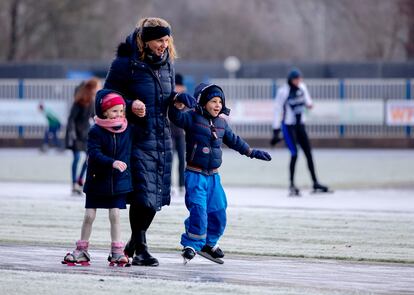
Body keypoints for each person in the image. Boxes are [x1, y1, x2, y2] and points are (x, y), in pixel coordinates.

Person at [104, 17, 195, 266]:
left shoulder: (168, 64)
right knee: (143, 194)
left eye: (167, 40)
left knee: (155, 198)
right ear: (145, 41)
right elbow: (106, 95)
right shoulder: (125, 64)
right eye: (159, 40)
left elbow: (165, 99)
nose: (164, 45)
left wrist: (177, 99)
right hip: (136, 136)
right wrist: (130, 104)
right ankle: (141, 248)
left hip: (161, 137)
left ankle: (132, 245)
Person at [168, 82, 272, 263]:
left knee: (218, 210)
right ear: (203, 102)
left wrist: (251, 152)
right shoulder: (192, 118)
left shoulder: (222, 123)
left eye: (220, 102)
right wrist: (177, 102)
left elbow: (234, 141)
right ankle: (192, 243)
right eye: (213, 101)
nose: (218, 105)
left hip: (214, 176)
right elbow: (175, 116)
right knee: (199, 209)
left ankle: (209, 243)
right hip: (195, 174)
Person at [62, 90, 132, 267]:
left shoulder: (127, 128)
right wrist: (112, 162)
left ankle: (117, 251)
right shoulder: (96, 130)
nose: (119, 114)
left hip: (117, 181)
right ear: (105, 112)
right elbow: (93, 153)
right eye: (115, 110)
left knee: (115, 214)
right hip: (96, 179)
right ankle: (82, 250)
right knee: (89, 215)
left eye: (121, 110)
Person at [270, 68, 329, 196]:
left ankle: (315, 182)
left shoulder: (302, 87)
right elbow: (277, 109)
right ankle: (292, 185)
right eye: (296, 79)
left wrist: (309, 105)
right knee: (294, 154)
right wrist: (275, 130)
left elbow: (308, 102)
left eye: (299, 79)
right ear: (290, 80)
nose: (298, 81)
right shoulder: (283, 91)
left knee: (308, 153)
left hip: (300, 125)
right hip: (288, 126)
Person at [65, 78, 102, 195]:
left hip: (86, 135)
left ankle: (81, 180)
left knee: (89, 158)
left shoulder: (92, 102)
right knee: (76, 158)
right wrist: (72, 133)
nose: (99, 89)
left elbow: (94, 116)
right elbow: (71, 119)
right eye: (97, 87)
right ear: (91, 88)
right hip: (76, 135)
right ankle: (74, 183)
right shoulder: (79, 102)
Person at [170, 73, 186, 194]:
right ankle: (169, 185)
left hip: (181, 134)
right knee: (169, 160)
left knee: (182, 159)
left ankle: (182, 185)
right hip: (169, 133)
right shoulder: (170, 97)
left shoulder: (185, 98)